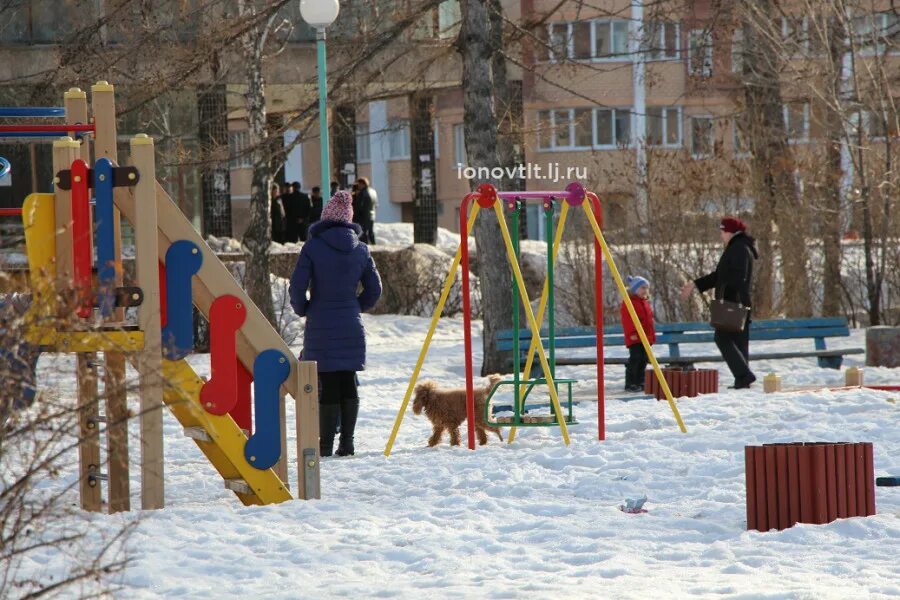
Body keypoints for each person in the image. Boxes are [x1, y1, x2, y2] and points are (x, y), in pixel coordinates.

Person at [289, 190, 382, 457]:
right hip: (350, 323)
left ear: (325, 218)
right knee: (348, 380)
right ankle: (348, 443)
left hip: (320, 322)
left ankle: (325, 444)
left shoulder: (313, 247)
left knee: (328, 381)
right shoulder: (362, 249)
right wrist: (356, 306)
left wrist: (303, 308)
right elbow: (375, 289)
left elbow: (297, 286)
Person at [681, 217, 759, 389]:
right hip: (737, 301)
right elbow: (719, 276)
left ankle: (744, 375)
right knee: (738, 341)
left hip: (733, 302)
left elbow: (737, 277)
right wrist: (695, 284)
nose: (721, 235)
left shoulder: (738, 248)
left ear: (730, 232)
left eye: (722, 231)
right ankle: (742, 379)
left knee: (722, 337)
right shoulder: (737, 247)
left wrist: (724, 292)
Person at [621, 275, 655, 392]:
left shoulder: (645, 303)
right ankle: (630, 382)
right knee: (636, 358)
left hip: (645, 337)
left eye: (646, 288)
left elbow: (649, 321)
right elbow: (628, 320)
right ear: (635, 289)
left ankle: (640, 381)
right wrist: (632, 333)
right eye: (642, 288)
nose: (645, 290)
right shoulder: (629, 302)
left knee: (644, 358)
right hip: (635, 336)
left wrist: (651, 336)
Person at [355, 177, 377, 244]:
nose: (358, 186)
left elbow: (359, 206)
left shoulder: (362, 193)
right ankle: (374, 246)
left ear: (363, 184)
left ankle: (366, 248)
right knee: (371, 232)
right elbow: (376, 204)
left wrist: (356, 215)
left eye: (359, 184)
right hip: (372, 215)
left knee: (363, 233)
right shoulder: (373, 191)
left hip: (364, 216)